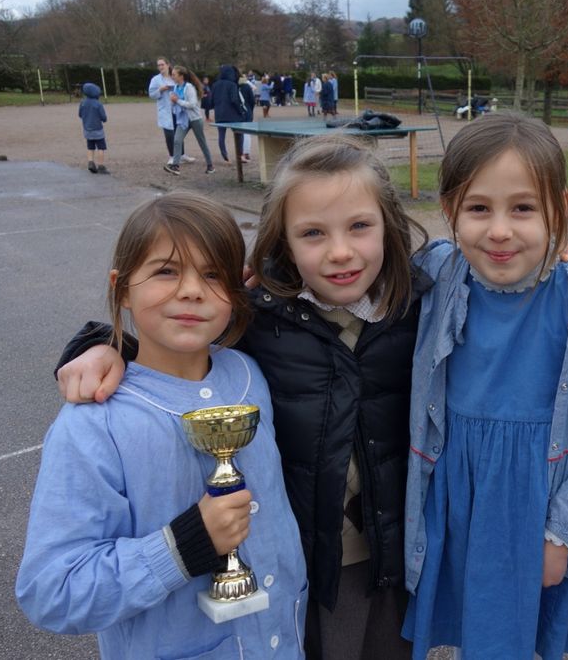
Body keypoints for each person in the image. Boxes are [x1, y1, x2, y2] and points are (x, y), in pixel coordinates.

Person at [53, 135, 433, 660]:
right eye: (313, 233)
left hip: (397, 556)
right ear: (283, 242)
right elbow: (180, 338)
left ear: (389, 225)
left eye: (360, 226)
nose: (341, 251)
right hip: (310, 565)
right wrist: (101, 345)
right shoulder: (262, 318)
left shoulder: (423, 303)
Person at [16, 192, 309, 659]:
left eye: (213, 274)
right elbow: (52, 590)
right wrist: (184, 545)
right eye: (166, 271)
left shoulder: (249, 375)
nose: (192, 290)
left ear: (236, 291)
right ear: (122, 288)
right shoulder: (94, 423)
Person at [402, 112, 568, 659]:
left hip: (540, 512)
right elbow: (353, 258)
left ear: (559, 209)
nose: (500, 231)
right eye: (478, 209)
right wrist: (271, 270)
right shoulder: (437, 272)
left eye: (524, 209)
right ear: (449, 212)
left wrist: (563, 534)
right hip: (457, 500)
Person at [164, 65, 215, 176]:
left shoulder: (189, 88)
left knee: (202, 142)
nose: (172, 77)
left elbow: (192, 104)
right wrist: (172, 102)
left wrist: (177, 100)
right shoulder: (176, 87)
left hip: (195, 119)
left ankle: (210, 165)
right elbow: (175, 104)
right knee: (177, 140)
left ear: (181, 76)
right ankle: (175, 166)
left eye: (174, 75)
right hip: (183, 119)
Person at [148, 57, 194, 165]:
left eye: (162, 64)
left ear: (168, 65)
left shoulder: (174, 77)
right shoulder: (155, 80)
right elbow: (151, 94)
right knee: (169, 134)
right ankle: (172, 156)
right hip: (165, 111)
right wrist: (160, 89)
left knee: (179, 133)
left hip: (178, 109)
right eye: (158, 65)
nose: (160, 67)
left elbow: (183, 88)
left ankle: (182, 155)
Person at [209, 64, 244, 164]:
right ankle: (239, 154)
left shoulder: (215, 85)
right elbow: (234, 100)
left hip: (220, 114)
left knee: (221, 136)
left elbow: (211, 101)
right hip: (233, 114)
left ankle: (225, 156)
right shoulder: (232, 84)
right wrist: (240, 111)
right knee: (239, 135)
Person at [78, 82, 108, 175]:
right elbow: (103, 117)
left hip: (87, 129)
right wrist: (104, 119)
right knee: (101, 147)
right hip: (98, 130)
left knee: (90, 147)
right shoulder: (98, 104)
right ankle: (101, 166)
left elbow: (80, 114)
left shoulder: (82, 103)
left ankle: (90, 162)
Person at [238, 73, 257, 162]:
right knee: (247, 133)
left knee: (240, 133)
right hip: (248, 110)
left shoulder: (235, 87)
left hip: (238, 112)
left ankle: (241, 152)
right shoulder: (247, 87)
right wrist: (250, 109)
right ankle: (246, 152)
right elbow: (252, 101)